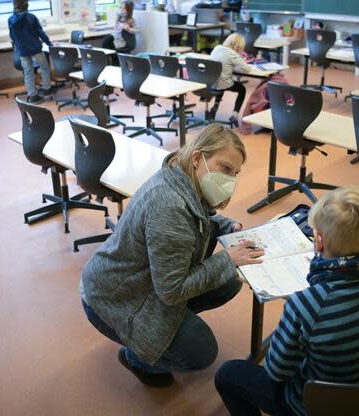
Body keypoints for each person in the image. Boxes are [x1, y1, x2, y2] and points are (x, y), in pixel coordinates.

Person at [81, 124, 263, 388]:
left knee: (228, 281)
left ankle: (165, 329)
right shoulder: (169, 207)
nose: (230, 179)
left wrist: (226, 225)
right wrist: (228, 259)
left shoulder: (181, 173)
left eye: (235, 173)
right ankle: (137, 357)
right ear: (199, 158)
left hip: (141, 281)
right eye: (225, 168)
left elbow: (198, 213)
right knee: (201, 352)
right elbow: (170, 291)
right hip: (113, 297)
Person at [214, 186, 359, 416]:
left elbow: (276, 370)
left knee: (228, 374)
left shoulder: (305, 304)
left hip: (305, 406)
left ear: (319, 242)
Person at [9, 0, 53, 104]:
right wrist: (49, 43)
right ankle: (47, 89)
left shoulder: (11, 19)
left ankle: (33, 95)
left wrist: (18, 45)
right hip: (35, 49)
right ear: (26, 6)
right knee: (45, 67)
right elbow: (40, 32)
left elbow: (12, 36)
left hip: (23, 50)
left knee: (28, 73)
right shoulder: (31, 17)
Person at [209, 33, 253, 126]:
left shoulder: (217, 48)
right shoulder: (232, 54)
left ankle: (215, 107)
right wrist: (240, 57)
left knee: (222, 81)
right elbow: (247, 69)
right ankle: (234, 115)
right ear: (237, 47)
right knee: (242, 89)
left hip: (212, 82)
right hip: (222, 83)